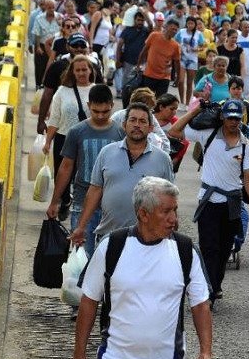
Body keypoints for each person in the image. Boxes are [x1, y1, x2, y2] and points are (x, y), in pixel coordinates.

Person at [72, 177, 214, 359]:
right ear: (143, 214)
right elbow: (89, 301)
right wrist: (79, 354)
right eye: (166, 211)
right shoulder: (112, 247)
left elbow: (200, 304)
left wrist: (206, 350)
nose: (174, 218)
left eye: (175, 210)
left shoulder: (185, 251)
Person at [169, 99, 249, 303]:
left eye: (237, 118)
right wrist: (195, 111)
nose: (233, 122)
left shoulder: (246, 146)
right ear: (222, 117)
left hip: (232, 203)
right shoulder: (208, 134)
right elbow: (175, 132)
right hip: (209, 201)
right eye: (229, 117)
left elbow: (248, 176)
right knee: (209, 247)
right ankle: (208, 291)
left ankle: (215, 285)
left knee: (225, 248)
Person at [70, 103, 175, 249]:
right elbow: (95, 190)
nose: (137, 125)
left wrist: (171, 229)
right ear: (124, 125)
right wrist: (81, 227)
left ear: (151, 128)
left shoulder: (162, 159)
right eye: (133, 120)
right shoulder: (106, 152)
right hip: (109, 236)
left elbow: (169, 199)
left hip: (148, 239)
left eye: (142, 121)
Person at [46, 84, 123, 257]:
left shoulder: (120, 133)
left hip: (111, 205)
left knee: (108, 257)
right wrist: (55, 201)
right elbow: (66, 167)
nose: (100, 116)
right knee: (82, 256)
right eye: (96, 111)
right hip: (82, 202)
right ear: (89, 106)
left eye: (105, 112)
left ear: (112, 105)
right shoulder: (76, 132)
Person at [43, 54, 96, 221]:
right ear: (72, 72)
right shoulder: (62, 91)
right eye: (77, 70)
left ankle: (81, 210)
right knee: (62, 175)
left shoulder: (97, 91)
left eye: (84, 69)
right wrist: (48, 141)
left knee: (82, 177)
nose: (81, 73)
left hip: (87, 140)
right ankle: (65, 200)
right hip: (63, 138)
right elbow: (55, 118)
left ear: (90, 71)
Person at [136, 19, 182, 96]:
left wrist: (177, 79)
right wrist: (138, 65)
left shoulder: (175, 45)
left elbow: (177, 62)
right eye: (172, 28)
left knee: (161, 102)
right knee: (147, 99)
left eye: (176, 30)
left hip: (164, 77)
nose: (174, 31)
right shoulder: (154, 35)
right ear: (166, 27)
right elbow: (144, 51)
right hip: (149, 74)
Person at [114, 8, 150, 95]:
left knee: (140, 83)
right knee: (126, 82)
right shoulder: (127, 30)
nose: (140, 22)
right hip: (128, 61)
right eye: (138, 20)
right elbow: (119, 46)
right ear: (134, 20)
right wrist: (118, 60)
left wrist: (144, 13)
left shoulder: (145, 31)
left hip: (142, 62)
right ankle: (125, 97)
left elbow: (151, 25)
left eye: (142, 20)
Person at [153, 93, 189, 173]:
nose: (174, 112)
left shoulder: (176, 123)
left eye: (176, 109)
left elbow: (185, 142)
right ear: (161, 107)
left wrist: (176, 159)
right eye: (172, 109)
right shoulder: (148, 119)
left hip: (169, 161)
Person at [174, 17, 205, 105]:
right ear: (186, 24)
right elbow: (175, 42)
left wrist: (197, 49)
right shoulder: (181, 32)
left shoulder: (198, 34)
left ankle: (187, 103)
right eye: (189, 23)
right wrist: (179, 48)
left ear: (195, 25)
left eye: (192, 23)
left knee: (189, 82)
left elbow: (203, 46)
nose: (190, 25)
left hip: (192, 60)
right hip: (182, 59)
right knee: (180, 80)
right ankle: (181, 101)